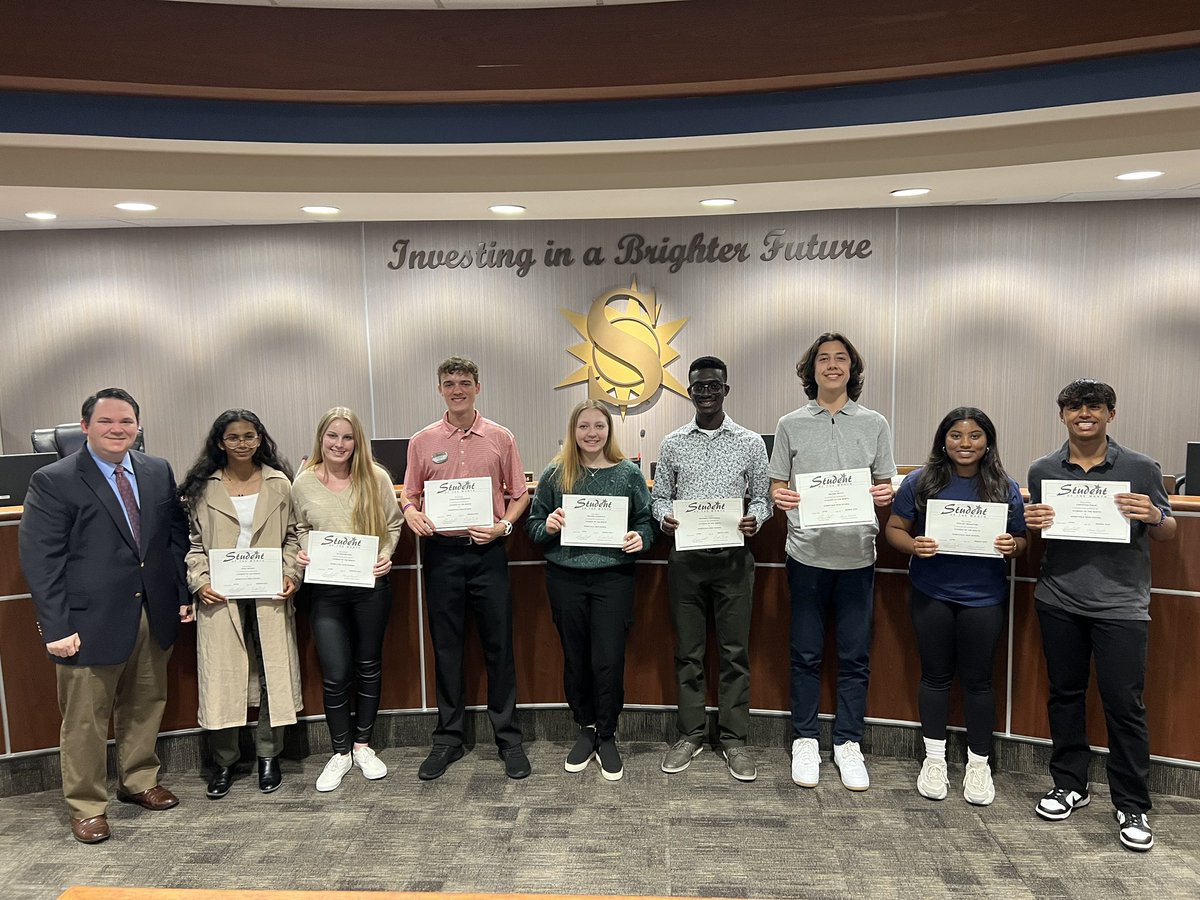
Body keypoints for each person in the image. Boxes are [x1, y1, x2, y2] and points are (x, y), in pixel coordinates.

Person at [18, 388, 191, 844]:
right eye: (107, 422)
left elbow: (173, 539)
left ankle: (139, 781)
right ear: (85, 427)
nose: (118, 429)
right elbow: (41, 560)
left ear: (137, 426)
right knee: (84, 718)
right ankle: (87, 805)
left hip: (152, 610)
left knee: (145, 702)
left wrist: (179, 593)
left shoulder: (156, 470)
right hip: (87, 621)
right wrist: (55, 626)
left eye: (126, 422)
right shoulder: (54, 479)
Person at [1024, 379, 1175, 852]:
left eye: (1094, 407)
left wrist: (1153, 516)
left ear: (1111, 414)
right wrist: (1035, 523)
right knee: (1065, 695)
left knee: (1124, 705)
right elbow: (1040, 535)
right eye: (1074, 407)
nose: (1083, 414)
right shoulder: (1043, 468)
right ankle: (1070, 783)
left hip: (1122, 605)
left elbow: (1168, 531)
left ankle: (1132, 803)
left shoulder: (1140, 467)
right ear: (1062, 415)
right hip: (1059, 599)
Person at [769, 332, 896, 791]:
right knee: (804, 653)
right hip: (806, 554)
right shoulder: (790, 424)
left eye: (841, 359)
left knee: (854, 656)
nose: (832, 365)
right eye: (823, 359)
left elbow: (886, 484)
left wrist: (886, 493)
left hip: (858, 556)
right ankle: (805, 739)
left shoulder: (875, 423)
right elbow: (776, 485)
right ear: (811, 371)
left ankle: (847, 743)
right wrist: (780, 498)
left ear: (852, 370)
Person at [885, 407, 1026, 805]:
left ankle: (978, 765)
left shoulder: (1003, 485)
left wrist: (1013, 547)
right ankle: (934, 759)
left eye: (975, 436)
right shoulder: (920, 481)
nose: (965, 444)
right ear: (943, 440)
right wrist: (915, 545)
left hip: (984, 597)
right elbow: (894, 528)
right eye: (957, 436)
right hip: (933, 594)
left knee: (979, 681)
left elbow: (1021, 540)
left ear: (988, 442)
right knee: (935, 676)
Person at [401, 356, 532, 781]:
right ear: (439, 388)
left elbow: (520, 494)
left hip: (487, 554)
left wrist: (503, 526)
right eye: (449, 383)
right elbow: (410, 493)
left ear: (478, 386)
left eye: (464, 382)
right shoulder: (422, 441)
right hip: (441, 554)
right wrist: (409, 512)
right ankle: (448, 739)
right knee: (447, 649)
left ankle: (509, 739)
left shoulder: (500, 437)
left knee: (499, 648)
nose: (457, 389)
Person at [651, 356, 772, 782]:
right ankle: (690, 734)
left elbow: (763, 498)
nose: (706, 392)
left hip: (733, 560)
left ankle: (734, 740)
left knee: (734, 653)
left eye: (714, 386)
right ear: (690, 391)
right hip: (686, 560)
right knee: (689, 652)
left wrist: (755, 518)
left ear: (726, 389)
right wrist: (664, 517)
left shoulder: (750, 443)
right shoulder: (672, 443)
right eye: (699, 386)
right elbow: (660, 497)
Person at [526, 400, 654, 780]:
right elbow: (534, 528)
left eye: (599, 426)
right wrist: (547, 526)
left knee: (609, 660)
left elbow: (646, 523)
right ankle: (585, 728)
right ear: (573, 430)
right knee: (575, 657)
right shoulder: (555, 473)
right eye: (584, 426)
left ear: (609, 431)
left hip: (613, 579)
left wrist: (639, 539)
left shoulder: (628, 473)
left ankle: (608, 733)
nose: (592, 433)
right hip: (565, 579)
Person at [180, 409, 305, 799]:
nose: (242, 444)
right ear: (220, 442)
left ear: (260, 439)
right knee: (223, 679)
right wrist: (199, 582)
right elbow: (194, 546)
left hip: (268, 593)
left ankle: (269, 755)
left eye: (249, 436)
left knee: (272, 675)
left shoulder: (279, 483)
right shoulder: (203, 487)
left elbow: (293, 537)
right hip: (221, 596)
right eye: (233, 437)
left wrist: (291, 575)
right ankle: (225, 761)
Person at [292, 407, 403, 792]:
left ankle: (362, 746)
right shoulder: (303, 482)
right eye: (332, 437)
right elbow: (298, 528)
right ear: (321, 439)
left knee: (368, 665)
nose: (339, 444)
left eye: (347, 437)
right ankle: (340, 752)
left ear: (358, 441)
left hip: (370, 588)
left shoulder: (377, 478)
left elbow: (393, 523)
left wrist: (387, 553)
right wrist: (304, 550)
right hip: (325, 590)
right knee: (336, 673)